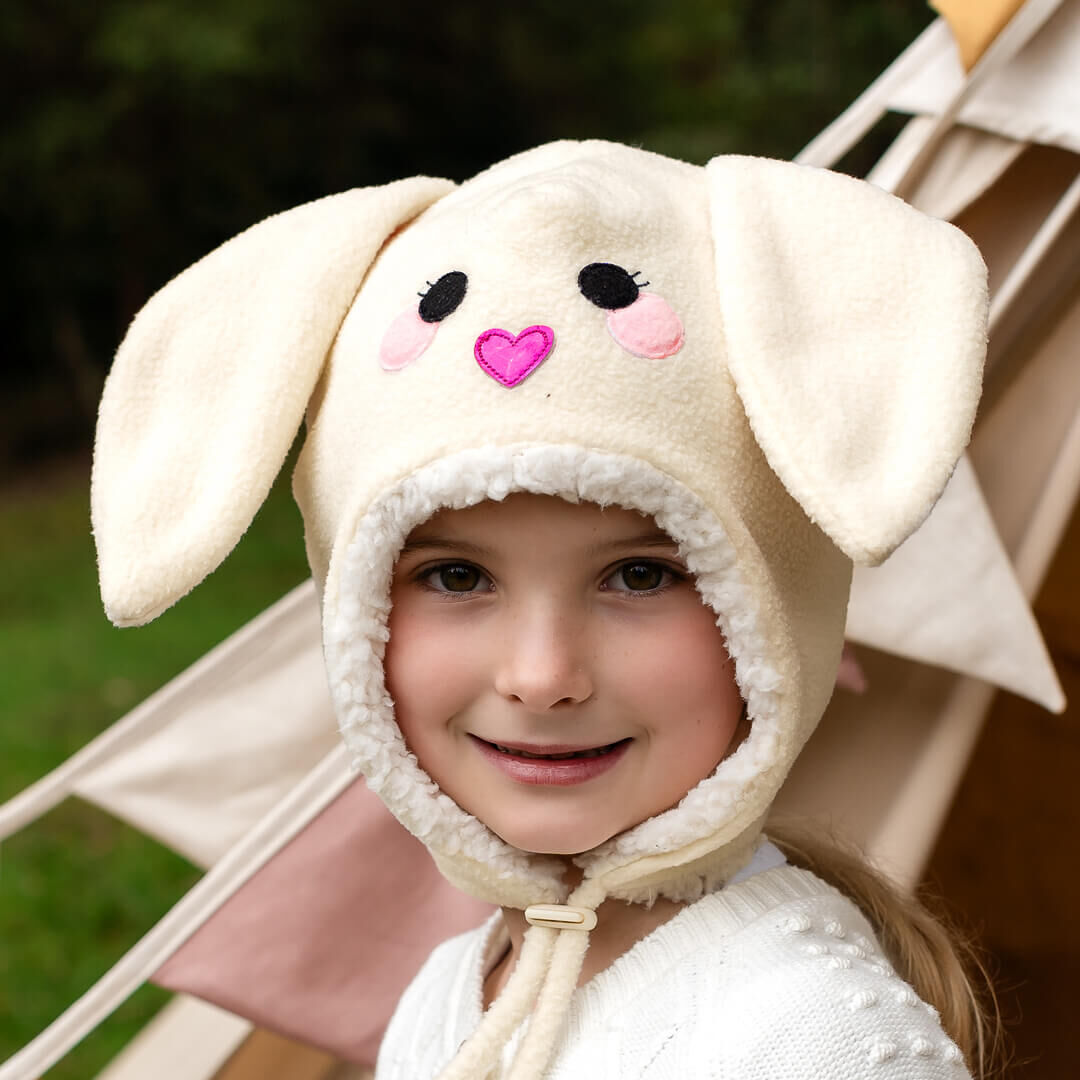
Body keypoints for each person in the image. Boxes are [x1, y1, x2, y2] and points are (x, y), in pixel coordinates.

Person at [90, 140, 995, 1079]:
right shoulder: (452, 989)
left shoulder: (807, 1039)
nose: (541, 675)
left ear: (773, 611)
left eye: (639, 577)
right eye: (456, 578)